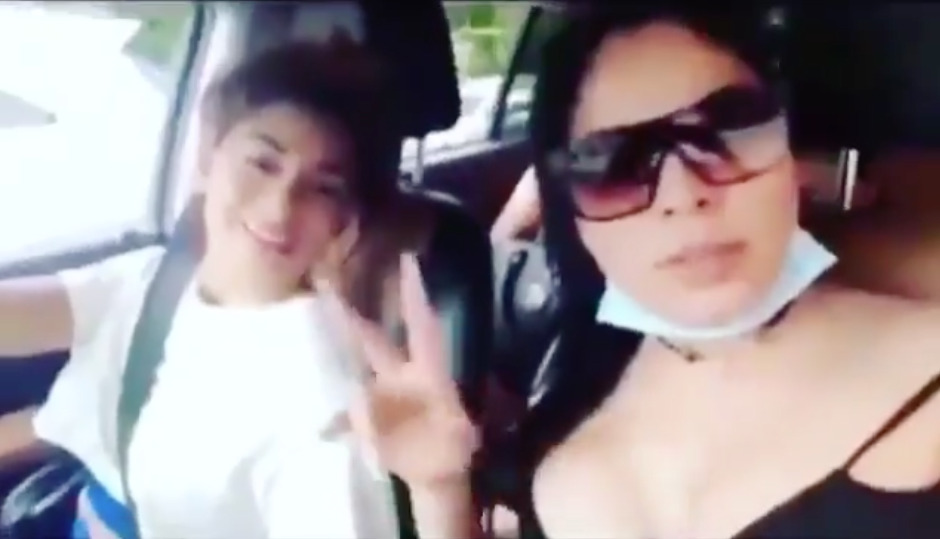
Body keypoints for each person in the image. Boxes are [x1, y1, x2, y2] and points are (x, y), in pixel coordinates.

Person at [342, 6, 940, 539]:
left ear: (792, 163)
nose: (683, 194)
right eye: (613, 164)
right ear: (573, 216)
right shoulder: (561, 442)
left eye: (728, 132)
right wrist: (440, 493)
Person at [0, 40, 430, 539]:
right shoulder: (157, 279)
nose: (279, 207)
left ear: (345, 221)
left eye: (323, 188)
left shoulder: (320, 406)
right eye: (263, 163)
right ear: (207, 157)